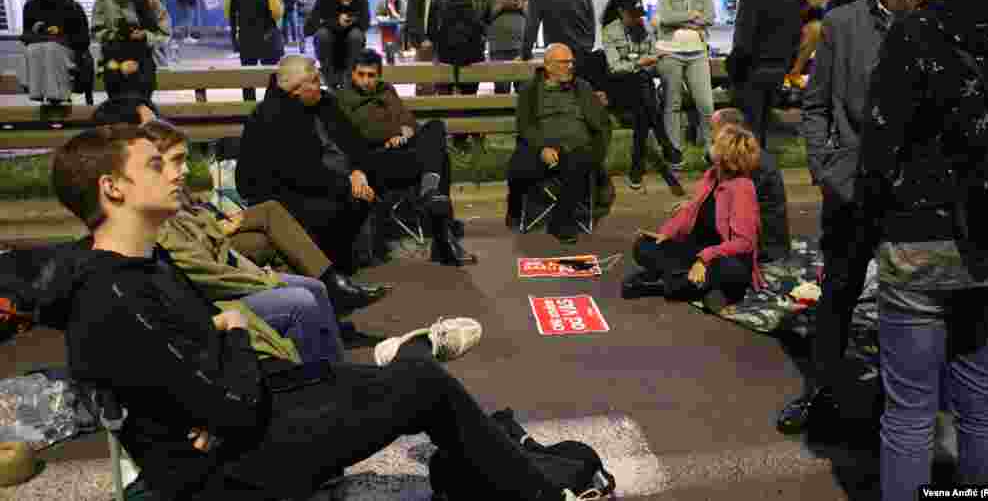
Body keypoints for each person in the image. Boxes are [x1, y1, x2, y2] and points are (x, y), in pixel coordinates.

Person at [47, 124, 587, 501]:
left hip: (247, 420)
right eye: (155, 164)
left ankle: (487, 469)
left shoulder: (143, 263)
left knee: (412, 381)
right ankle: (540, 493)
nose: (174, 173)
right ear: (112, 188)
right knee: (426, 387)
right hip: (229, 468)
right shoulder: (113, 295)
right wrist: (229, 344)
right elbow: (227, 400)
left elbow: (208, 384)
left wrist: (213, 393)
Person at [855, 0, 988, 500]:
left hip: (921, 243)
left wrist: (862, 240)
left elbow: (877, 156)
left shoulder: (916, 31)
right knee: (983, 402)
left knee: (910, 413)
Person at [776, 0, 922, 437]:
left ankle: (897, 407)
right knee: (837, 291)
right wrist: (825, 169)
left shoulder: (935, 24)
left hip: (916, 198)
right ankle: (820, 391)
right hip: (851, 190)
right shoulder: (842, 24)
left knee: (908, 307)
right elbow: (814, 108)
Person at [142, 119, 387, 367]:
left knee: (315, 286)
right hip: (215, 298)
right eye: (177, 160)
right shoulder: (158, 213)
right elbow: (206, 273)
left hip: (228, 265)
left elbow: (211, 239)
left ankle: (338, 365)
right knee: (300, 298)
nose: (185, 170)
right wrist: (265, 279)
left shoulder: (175, 198)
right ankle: (318, 373)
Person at [236, 56, 374, 278]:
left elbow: (355, 141)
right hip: (276, 196)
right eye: (315, 81)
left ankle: (337, 269)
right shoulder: (274, 116)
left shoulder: (323, 102)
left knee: (361, 193)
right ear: (296, 90)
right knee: (344, 203)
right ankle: (329, 273)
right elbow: (300, 174)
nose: (321, 85)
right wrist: (347, 183)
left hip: (318, 181)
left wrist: (357, 172)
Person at [338, 49, 478, 267]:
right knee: (440, 160)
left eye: (371, 75)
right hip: (376, 160)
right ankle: (443, 237)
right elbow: (357, 136)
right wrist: (389, 136)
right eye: (361, 74)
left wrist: (404, 133)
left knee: (435, 127)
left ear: (379, 75)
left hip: (403, 152)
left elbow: (409, 121)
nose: (366, 80)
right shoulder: (343, 100)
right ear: (352, 74)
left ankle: (430, 191)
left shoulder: (387, 91)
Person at [621, 124, 763, 311]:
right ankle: (703, 288)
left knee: (727, 271)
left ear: (726, 155)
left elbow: (744, 243)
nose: (710, 147)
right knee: (644, 246)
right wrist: (666, 233)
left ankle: (664, 285)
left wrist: (704, 260)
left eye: (714, 144)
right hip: (697, 249)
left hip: (724, 257)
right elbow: (690, 210)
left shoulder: (743, 188)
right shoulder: (711, 175)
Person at [507, 44, 610, 245]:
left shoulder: (582, 87)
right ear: (548, 65)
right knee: (518, 167)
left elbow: (601, 123)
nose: (570, 66)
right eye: (564, 62)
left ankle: (561, 221)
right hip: (541, 146)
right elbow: (525, 126)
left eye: (571, 62)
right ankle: (515, 208)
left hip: (576, 148)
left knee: (581, 163)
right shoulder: (530, 90)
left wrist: (597, 150)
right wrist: (542, 147)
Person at [598, 0, 678, 190]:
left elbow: (653, 57)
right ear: (620, 12)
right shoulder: (610, 31)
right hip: (619, 88)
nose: (637, 18)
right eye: (632, 14)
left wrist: (645, 64)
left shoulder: (645, 28)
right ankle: (664, 142)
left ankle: (637, 168)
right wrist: (639, 63)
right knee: (642, 88)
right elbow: (614, 67)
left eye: (639, 14)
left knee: (643, 107)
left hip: (642, 88)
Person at [725, 0, 802, 150]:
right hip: (777, 72)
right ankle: (764, 174)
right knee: (763, 131)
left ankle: (756, 178)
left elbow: (743, 42)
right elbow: (797, 34)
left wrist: (732, 72)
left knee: (750, 134)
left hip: (753, 74)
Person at [654, 0, 717, 161]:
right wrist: (692, 17)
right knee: (672, 103)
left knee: (706, 103)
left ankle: (712, 149)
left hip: (697, 51)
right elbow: (665, 18)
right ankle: (674, 151)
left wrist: (679, 19)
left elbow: (709, 17)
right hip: (669, 51)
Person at [702, 108, 789, 262]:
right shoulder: (744, 155)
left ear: (727, 131)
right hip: (751, 236)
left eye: (713, 130)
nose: (711, 136)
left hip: (764, 246)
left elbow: (730, 205)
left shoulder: (751, 162)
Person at [92, 0, 171, 100]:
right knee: (115, 81)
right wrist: (115, 35)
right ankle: (143, 115)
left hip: (143, 56)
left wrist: (145, 35)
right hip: (113, 56)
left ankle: (143, 113)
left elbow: (165, 31)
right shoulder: (103, 0)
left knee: (141, 88)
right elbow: (95, 31)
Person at [18, 0, 90, 105]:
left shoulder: (73, 8)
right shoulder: (30, 7)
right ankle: (42, 95)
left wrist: (61, 33)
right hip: (40, 47)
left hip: (68, 52)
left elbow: (83, 40)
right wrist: (38, 32)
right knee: (34, 49)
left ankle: (58, 96)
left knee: (51, 47)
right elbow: (25, 36)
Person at [428, 0, 488, 95]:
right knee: (470, 92)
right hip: (473, 49)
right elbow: (486, 17)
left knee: (446, 93)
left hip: (446, 49)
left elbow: (433, 18)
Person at [225, 0, 284, 100]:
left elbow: (228, 12)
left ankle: (249, 106)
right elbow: (276, 12)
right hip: (267, 35)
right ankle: (270, 106)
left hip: (246, 36)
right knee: (271, 74)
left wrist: (235, 35)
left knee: (247, 75)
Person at [305, 0, 370, 89]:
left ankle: (348, 82)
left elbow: (365, 23)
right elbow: (308, 28)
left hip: (351, 55)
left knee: (355, 35)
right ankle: (331, 82)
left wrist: (351, 22)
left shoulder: (360, 0)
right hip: (329, 54)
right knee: (323, 34)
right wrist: (335, 23)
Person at [406, 0, 455, 95]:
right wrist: (421, 39)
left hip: (448, 44)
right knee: (425, 88)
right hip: (426, 44)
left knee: (446, 88)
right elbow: (413, 14)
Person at [480, 0, 529, 93]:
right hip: (498, 48)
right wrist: (500, 6)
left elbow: (530, 17)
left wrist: (521, 6)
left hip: (520, 47)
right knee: (502, 88)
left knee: (523, 88)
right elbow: (482, 18)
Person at [787, 0, 827, 84]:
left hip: (800, 60)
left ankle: (795, 74)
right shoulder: (787, 11)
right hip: (778, 60)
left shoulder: (817, 12)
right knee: (816, 28)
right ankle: (793, 74)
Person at [375, 0, 405, 65]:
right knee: (385, 31)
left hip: (397, 24)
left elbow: (402, 17)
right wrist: (383, 17)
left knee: (399, 29)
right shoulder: (382, 1)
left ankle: (398, 50)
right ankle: (386, 50)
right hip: (385, 23)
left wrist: (393, 10)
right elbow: (377, 14)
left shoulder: (400, 2)